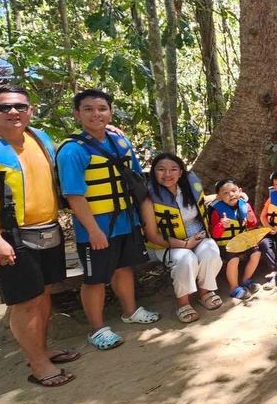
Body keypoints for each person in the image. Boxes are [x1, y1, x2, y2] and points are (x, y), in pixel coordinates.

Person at [0, 84, 77, 387]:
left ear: (30, 110)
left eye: (20, 106)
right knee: (26, 301)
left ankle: (42, 349)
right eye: (4, 107)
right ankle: (37, 363)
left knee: (44, 292)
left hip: (47, 228)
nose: (13, 112)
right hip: (8, 234)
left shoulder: (39, 138)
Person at [56, 89, 160, 351]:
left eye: (102, 108)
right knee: (94, 278)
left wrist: (144, 222)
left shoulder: (120, 142)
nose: (96, 114)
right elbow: (74, 194)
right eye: (88, 109)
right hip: (96, 227)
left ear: (110, 112)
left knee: (124, 268)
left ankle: (130, 311)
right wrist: (93, 230)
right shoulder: (72, 151)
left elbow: (137, 182)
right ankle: (97, 329)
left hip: (126, 220)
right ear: (77, 114)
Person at [140, 153, 222, 324]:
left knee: (211, 252)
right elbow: (152, 235)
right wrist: (185, 244)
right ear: (154, 172)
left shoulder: (188, 188)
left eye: (173, 169)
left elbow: (203, 201)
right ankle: (182, 303)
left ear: (181, 172)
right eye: (161, 170)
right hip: (168, 244)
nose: (167, 174)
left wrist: (223, 196)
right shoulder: (149, 197)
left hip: (197, 236)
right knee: (187, 259)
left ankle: (204, 293)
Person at [209, 178, 263, 299]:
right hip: (226, 244)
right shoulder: (217, 211)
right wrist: (221, 225)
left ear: (240, 191)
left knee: (256, 253)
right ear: (219, 197)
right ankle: (234, 287)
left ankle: (246, 279)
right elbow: (215, 234)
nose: (231, 195)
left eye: (233, 190)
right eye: (225, 193)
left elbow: (251, 224)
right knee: (234, 259)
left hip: (242, 241)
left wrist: (250, 219)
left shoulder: (245, 205)